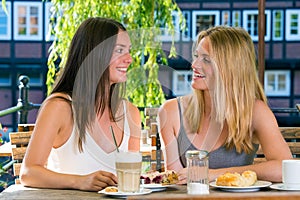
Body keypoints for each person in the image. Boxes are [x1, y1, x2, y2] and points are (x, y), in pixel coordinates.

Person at [158, 26, 293, 184]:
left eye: (206, 59)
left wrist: (213, 174)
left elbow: (283, 169)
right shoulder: (171, 111)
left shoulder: (255, 112)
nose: (194, 64)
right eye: (196, 56)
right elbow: (177, 181)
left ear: (230, 68)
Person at [20, 17, 141, 191]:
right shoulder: (60, 108)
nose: (129, 59)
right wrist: (80, 181)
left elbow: (133, 181)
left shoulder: (130, 113)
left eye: (128, 50)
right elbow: (29, 173)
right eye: (119, 50)